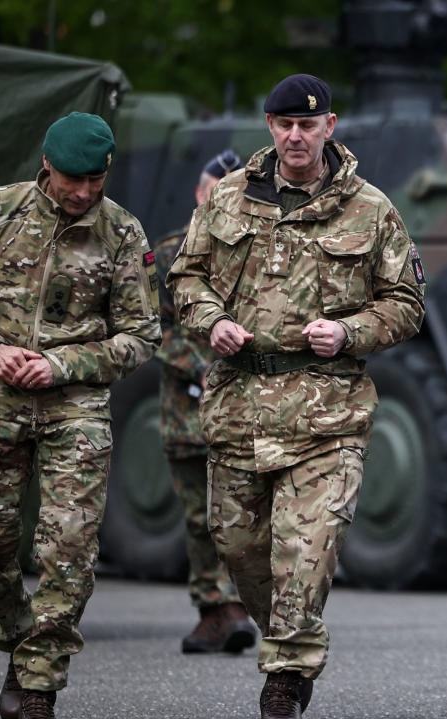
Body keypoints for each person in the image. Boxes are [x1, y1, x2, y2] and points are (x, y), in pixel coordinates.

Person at [167, 74, 425, 719]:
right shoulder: (226, 199)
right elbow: (185, 277)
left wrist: (351, 332)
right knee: (241, 548)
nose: (295, 136)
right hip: (240, 409)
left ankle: (285, 676)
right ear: (268, 125)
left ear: (330, 126)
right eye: (283, 124)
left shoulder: (370, 209)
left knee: (306, 554)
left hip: (327, 415)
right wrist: (210, 320)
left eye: (307, 125)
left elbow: (405, 303)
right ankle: (292, 629)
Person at [0, 112, 161, 719]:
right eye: (70, 180)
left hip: (75, 407)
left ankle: (39, 687)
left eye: (94, 179)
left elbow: (142, 335)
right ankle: (17, 633)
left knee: (68, 550)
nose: (83, 192)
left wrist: (64, 363)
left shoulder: (121, 234)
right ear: (45, 166)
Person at [153, 150, 257, 654]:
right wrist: (200, 365)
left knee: (242, 515)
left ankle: (237, 604)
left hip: (244, 409)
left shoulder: (255, 248)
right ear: (200, 194)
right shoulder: (171, 252)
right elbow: (151, 328)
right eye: (215, 190)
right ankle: (212, 608)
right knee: (199, 517)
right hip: (188, 412)